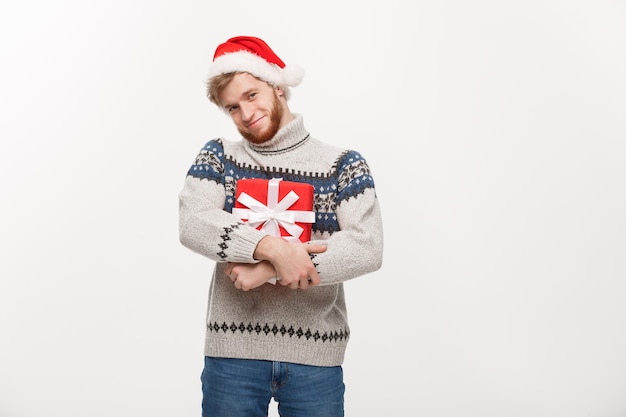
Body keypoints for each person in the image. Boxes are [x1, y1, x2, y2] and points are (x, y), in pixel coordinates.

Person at [178, 35, 384, 417]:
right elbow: (194, 221)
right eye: (233, 107)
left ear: (277, 86)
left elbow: (366, 247)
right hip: (232, 355)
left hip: (315, 355)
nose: (245, 113)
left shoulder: (342, 164)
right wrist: (270, 249)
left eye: (252, 95)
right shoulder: (219, 156)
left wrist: (268, 271)